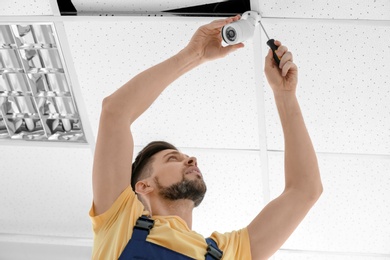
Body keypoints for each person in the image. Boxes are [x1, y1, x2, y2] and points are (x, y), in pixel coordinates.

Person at [90, 15, 323, 259]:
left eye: (175, 158)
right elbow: (115, 112)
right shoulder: (119, 223)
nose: (190, 159)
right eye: (174, 159)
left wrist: (285, 95)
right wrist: (194, 54)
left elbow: (304, 190)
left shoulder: (221, 253)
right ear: (143, 186)